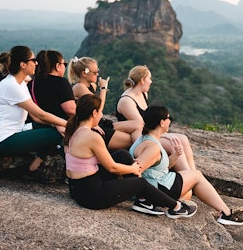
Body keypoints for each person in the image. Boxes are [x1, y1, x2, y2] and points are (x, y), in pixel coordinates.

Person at [64, 93, 197, 218]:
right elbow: (112, 168)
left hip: (76, 189)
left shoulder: (74, 130)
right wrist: (133, 169)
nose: (101, 115)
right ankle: (177, 206)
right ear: (94, 113)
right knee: (140, 183)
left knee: (123, 155)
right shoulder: (92, 136)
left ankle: (143, 200)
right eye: (100, 111)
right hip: (92, 196)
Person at [129, 105, 243, 226]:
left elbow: (156, 167)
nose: (170, 121)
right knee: (197, 175)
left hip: (158, 183)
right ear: (162, 122)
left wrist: (176, 155)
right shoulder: (151, 146)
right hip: (158, 188)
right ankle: (226, 213)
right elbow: (136, 171)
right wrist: (144, 198)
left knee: (190, 184)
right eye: (169, 118)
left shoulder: (146, 139)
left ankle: (222, 212)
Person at [0, 46, 68, 183]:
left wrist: (56, 124)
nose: (36, 63)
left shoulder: (20, 83)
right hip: (3, 140)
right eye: (33, 60)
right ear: (23, 64)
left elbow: (35, 117)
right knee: (58, 134)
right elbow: (40, 115)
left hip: (15, 132)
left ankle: (33, 168)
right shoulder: (11, 85)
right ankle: (37, 170)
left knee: (58, 130)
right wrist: (67, 124)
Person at [116, 65, 196, 172]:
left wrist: (166, 135)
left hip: (152, 133)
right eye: (149, 78)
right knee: (175, 143)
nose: (151, 81)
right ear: (142, 80)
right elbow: (143, 124)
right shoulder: (127, 101)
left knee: (183, 139)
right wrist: (167, 135)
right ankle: (188, 175)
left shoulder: (143, 94)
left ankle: (193, 172)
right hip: (142, 138)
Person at [67, 56, 142, 150]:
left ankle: (141, 153)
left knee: (138, 124)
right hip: (92, 126)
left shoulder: (91, 86)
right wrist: (103, 89)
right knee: (130, 139)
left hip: (100, 122)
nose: (97, 74)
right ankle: (140, 155)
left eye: (97, 71)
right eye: (94, 72)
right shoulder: (79, 87)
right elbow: (98, 108)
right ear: (84, 74)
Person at [27, 50, 75, 121]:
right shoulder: (61, 83)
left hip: (40, 125)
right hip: (60, 125)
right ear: (57, 66)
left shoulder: (31, 84)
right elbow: (70, 110)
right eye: (64, 64)